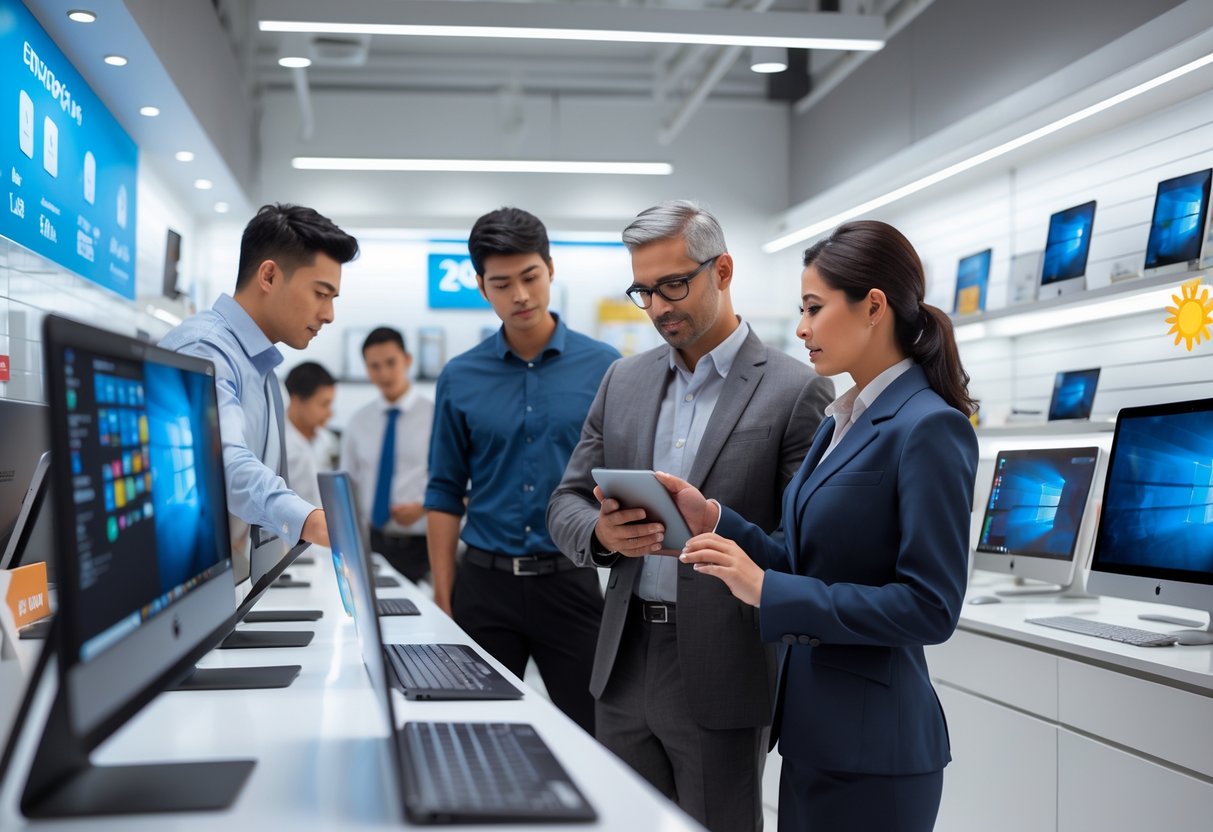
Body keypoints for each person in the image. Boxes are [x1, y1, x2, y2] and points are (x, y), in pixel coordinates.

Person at [662, 220, 980, 832]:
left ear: (874, 307)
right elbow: (804, 557)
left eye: (813, 308)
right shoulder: (843, 419)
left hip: (877, 755)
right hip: (814, 738)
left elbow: (931, 607)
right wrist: (719, 521)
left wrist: (769, 591)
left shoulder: (929, 427)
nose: (802, 329)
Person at [546, 200, 834, 832]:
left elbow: (803, 548)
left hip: (723, 664)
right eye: (643, 291)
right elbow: (563, 503)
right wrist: (599, 533)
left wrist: (720, 527)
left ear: (723, 270)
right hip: (622, 660)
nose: (657, 307)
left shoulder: (795, 389)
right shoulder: (621, 380)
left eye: (673, 285)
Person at [424, 207, 620, 734]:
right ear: (482, 287)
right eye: (502, 283)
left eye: (530, 277)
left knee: (597, 734)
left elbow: (624, 477)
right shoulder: (459, 377)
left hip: (571, 579)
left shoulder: (606, 367)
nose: (521, 296)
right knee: (476, 733)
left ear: (550, 269)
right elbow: (443, 490)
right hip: (484, 587)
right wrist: (443, 597)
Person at [160, 203, 359, 570]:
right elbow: (222, 462)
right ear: (268, 276)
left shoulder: (262, 367)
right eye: (320, 293)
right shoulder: (205, 349)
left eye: (333, 299)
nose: (329, 315)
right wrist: (312, 521)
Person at [342, 327, 434, 584]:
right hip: (373, 544)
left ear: (407, 360)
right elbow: (348, 485)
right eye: (374, 366)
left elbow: (455, 482)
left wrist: (424, 507)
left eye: (391, 363)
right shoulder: (359, 422)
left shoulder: (435, 417)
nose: (383, 373)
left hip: (423, 546)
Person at [284, 361, 338, 508]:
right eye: (324, 404)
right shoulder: (277, 442)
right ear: (296, 401)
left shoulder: (327, 440)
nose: (330, 413)